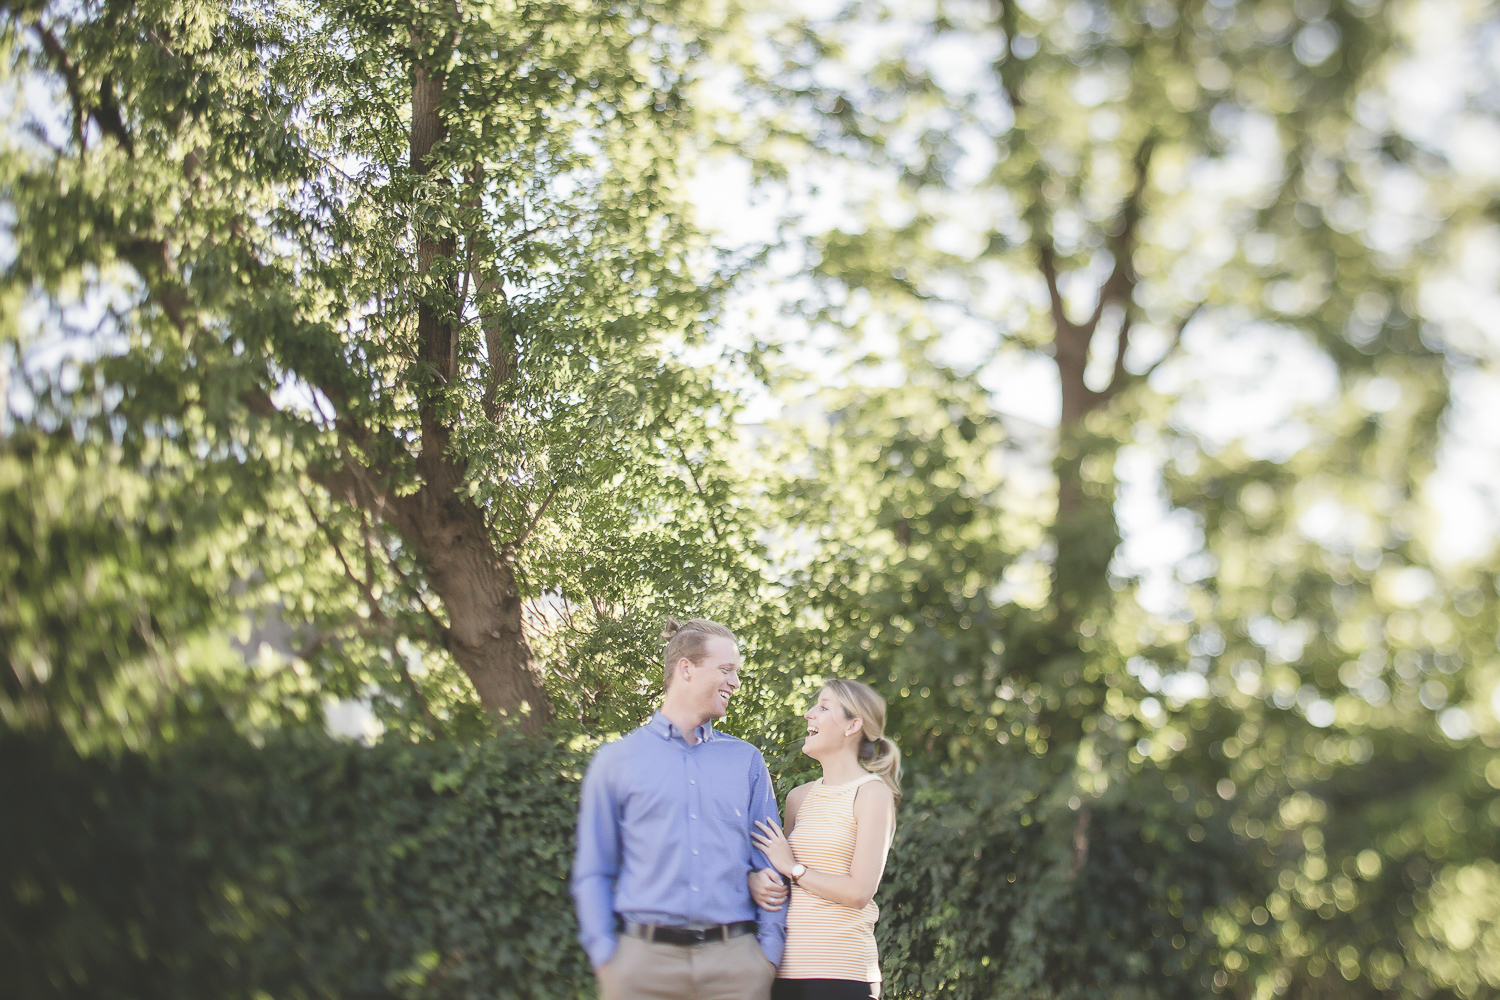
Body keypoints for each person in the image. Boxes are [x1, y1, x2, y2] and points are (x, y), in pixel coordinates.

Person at [571, 617, 787, 1000]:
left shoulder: (747, 761)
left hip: (735, 969)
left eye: (736, 672)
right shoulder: (616, 761)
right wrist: (606, 957)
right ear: (686, 668)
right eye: (726, 670)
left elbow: (770, 863)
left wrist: (767, 956)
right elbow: (594, 871)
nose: (735, 683)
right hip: (641, 971)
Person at [748, 679, 901, 1000]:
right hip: (783, 972)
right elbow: (780, 876)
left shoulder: (872, 793)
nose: (808, 714)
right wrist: (757, 880)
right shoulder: (798, 798)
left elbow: (859, 892)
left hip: (842, 974)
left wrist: (795, 869)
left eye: (823, 707)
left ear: (853, 725)